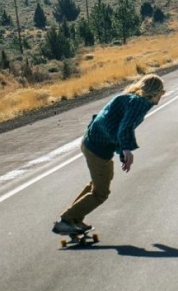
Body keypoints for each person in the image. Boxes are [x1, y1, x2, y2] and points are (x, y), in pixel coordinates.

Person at [52, 73, 165, 235]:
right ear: (156, 91)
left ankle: (74, 219)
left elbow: (112, 127)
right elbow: (124, 128)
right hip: (97, 148)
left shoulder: (128, 97)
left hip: (91, 141)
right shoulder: (140, 103)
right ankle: (66, 221)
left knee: (96, 185)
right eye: (162, 92)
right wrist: (127, 150)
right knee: (101, 193)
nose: (162, 96)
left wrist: (122, 152)